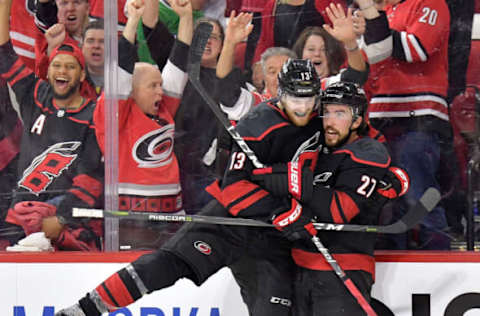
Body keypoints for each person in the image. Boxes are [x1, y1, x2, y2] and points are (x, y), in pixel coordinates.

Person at [55, 58, 325, 316]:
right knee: (167, 263)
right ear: (281, 92)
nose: (302, 108)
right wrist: (281, 209)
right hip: (230, 220)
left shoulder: (325, 120)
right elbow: (233, 187)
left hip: (273, 236)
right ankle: (85, 309)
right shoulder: (257, 123)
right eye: (294, 99)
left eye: (308, 99)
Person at [253, 82, 408, 315]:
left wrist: (291, 182)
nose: (330, 121)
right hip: (299, 269)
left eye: (340, 113)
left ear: (357, 121)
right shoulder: (314, 150)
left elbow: (339, 210)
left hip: (343, 268)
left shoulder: (368, 151)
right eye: (327, 112)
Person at [0, 0, 104, 251]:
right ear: (49, 72)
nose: (62, 71)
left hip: (64, 223)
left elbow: (89, 181)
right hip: (19, 216)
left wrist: (59, 217)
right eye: (57, 65)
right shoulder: (34, 96)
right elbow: (4, 52)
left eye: (70, 66)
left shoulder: (94, 116)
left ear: (81, 75)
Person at [94, 0, 192, 249]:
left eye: (160, 84)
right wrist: (132, 21)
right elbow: (122, 68)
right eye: (153, 86)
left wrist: (186, 18)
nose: (162, 91)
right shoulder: (115, 118)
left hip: (171, 219)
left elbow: (179, 63)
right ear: (132, 90)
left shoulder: (164, 111)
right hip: (131, 225)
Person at [355, 0, 452, 249]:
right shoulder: (376, 14)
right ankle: (395, 259)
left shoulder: (429, 3)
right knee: (384, 202)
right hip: (378, 116)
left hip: (420, 116)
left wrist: (374, 25)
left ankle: (437, 259)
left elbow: (416, 49)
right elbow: (367, 60)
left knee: (417, 195)